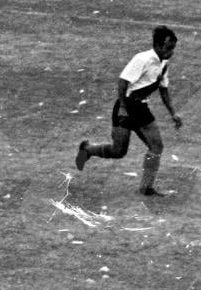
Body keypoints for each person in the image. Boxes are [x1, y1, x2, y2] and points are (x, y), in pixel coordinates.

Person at [74, 26, 184, 196]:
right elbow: (122, 82)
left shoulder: (163, 64)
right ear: (159, 46)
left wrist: (173, 113)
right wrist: (124, 109)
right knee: (118, 151)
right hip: (126, 107)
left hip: (141, 109)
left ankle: (146, 187)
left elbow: (163, 90)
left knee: (156, 146)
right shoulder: (142, 59)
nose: (172, 52)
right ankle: (88, 149)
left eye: (173, 48)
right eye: (169, 48)